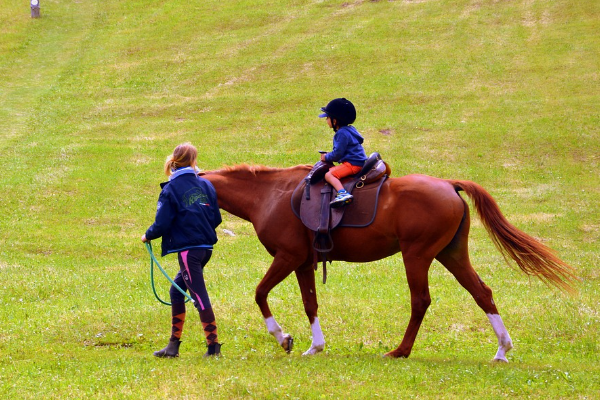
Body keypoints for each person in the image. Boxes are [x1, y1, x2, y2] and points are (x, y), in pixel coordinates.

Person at [141, 142, 223, 358]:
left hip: (189, 251)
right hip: (205, 249)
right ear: (194, 161)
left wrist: (148, 235)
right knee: (176, 290)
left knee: (198, 296)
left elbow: (162, 223)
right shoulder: (206, 185)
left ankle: (213, 348)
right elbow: (216, 217)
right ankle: (173, 346)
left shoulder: (171, 189)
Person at [318, 98, 367, 207]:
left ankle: (342, 193)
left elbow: (337, 155)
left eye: (327, 118)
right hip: (359, 161)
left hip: (353, 164)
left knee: (329, 175)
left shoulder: (341, 134)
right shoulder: (350, 129)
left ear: (335, 121)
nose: (326, 120)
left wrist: (326, 157)